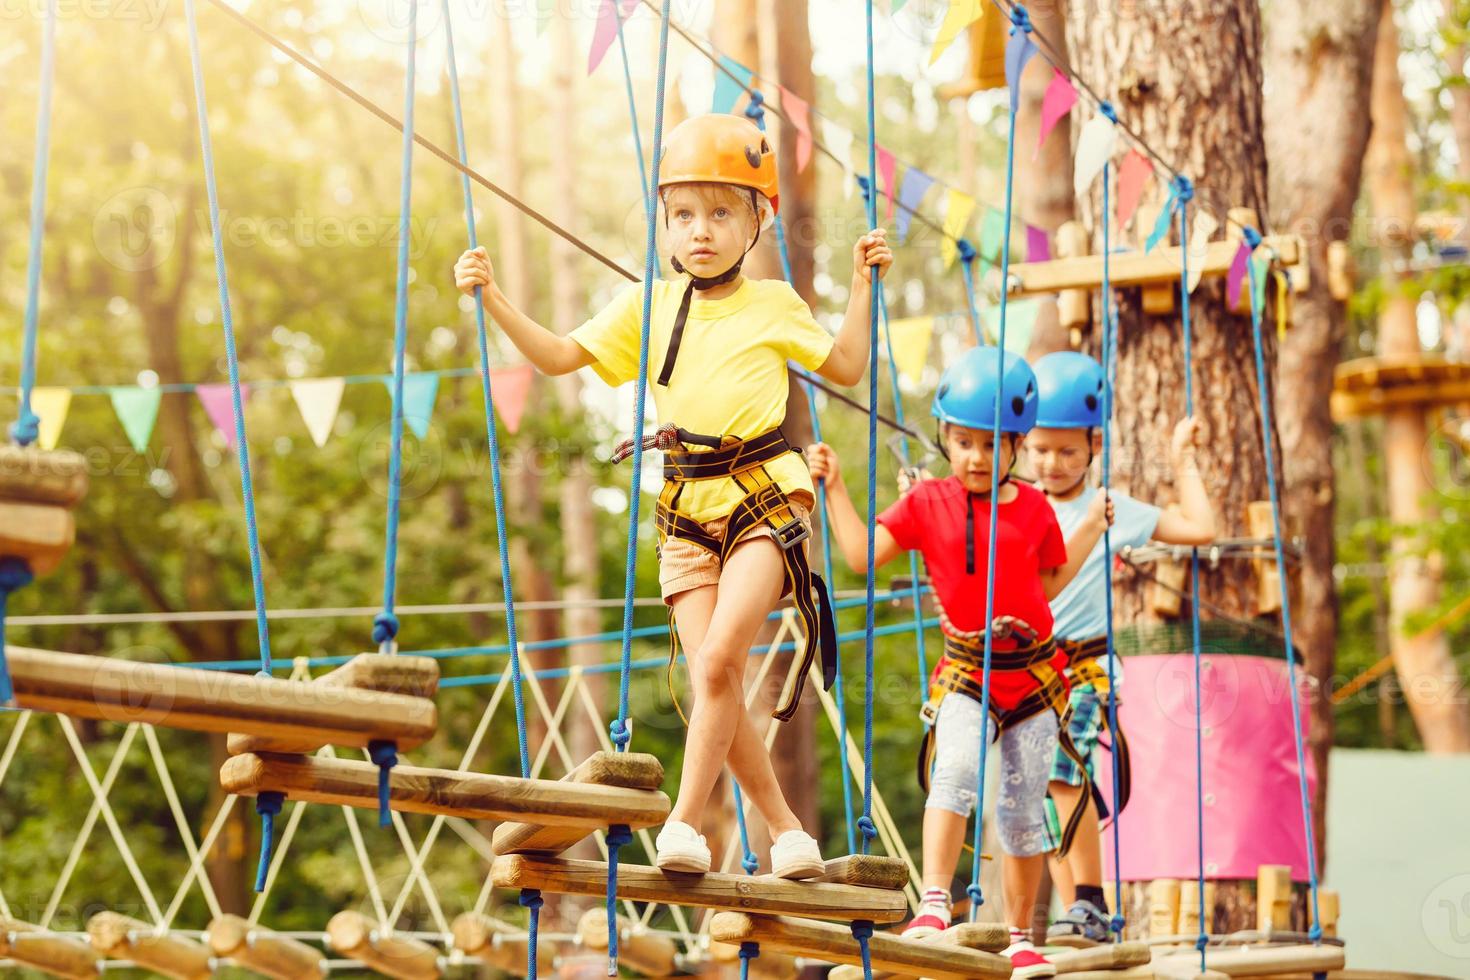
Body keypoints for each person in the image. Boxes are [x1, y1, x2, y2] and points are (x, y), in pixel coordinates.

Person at [453, 113, 891, 878]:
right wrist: (490, 299)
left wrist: (861, 286)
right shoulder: (646, 306)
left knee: (721, 652)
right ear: (663, 222)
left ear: (758, 219)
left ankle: (686, 821)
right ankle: (787, 831)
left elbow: (849, 366)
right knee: (710, 674)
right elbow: (558, 357)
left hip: (767, 497)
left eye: (722, 212)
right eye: (683, 214)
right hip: (687, 511)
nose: (700, 232)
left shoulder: (773, 304)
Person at [806, 346, 1109, 978]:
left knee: (1025, 814)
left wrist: (1089, 531)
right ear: (944, 436)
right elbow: (862, 556)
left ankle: (1021, 935)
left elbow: (1048, 582)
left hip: (1034, 678)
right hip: (967, 673)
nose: (975, 456)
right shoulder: (926, 503)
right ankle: (935, 902)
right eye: (963, 441)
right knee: (958, 770)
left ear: (1017, 445)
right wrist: (832, 488)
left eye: (991, 444)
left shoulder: (1033, 509)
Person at [1026, 350, 1216, 943]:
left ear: (1095, 444)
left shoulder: (1108, 507)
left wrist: (1183, 458)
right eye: (1039, 449)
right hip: (1027, 672)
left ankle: (1090, 901)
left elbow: (1200, 528)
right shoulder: (1016, 505)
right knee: (1034, 791)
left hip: (1086, 665)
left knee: (1061, 774)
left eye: (1067, 451)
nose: (1052, 464)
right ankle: (1080, 915)